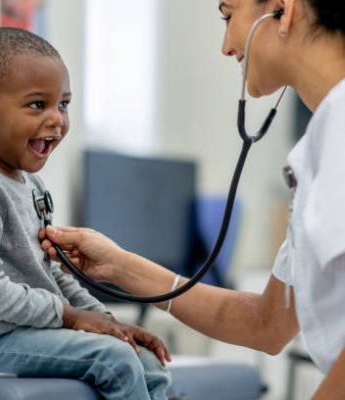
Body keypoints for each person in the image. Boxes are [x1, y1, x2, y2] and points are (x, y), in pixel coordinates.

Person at [40, 0, 345, 399]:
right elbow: (266, 324)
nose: (225, 45)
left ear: (282, 10)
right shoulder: (324, 136)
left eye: (228, 15)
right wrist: (118, 265)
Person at [0, 27, 172, 400]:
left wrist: (111, 323)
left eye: (64, 104)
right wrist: (71, 318)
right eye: (38, 104)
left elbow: (55, 274)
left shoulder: (31, 186)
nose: (57, 119)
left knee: (143, 358)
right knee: (114, 359)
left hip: (27, 331)